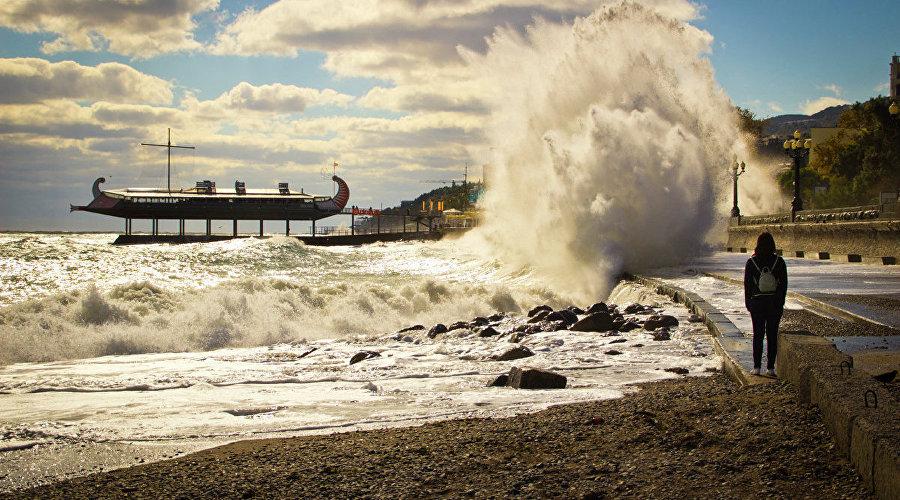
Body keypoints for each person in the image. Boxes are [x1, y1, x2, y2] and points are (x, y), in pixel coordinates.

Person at [744, 232, 787, 376]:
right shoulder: (779, 262)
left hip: (757, 302)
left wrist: (748, 303)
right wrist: (780, 302)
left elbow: (748, 285)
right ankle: (770, 368)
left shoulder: (752, 262)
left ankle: (756, 368)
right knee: (772, 335)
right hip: (774, 302)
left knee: (758, 334)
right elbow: (783, 285)